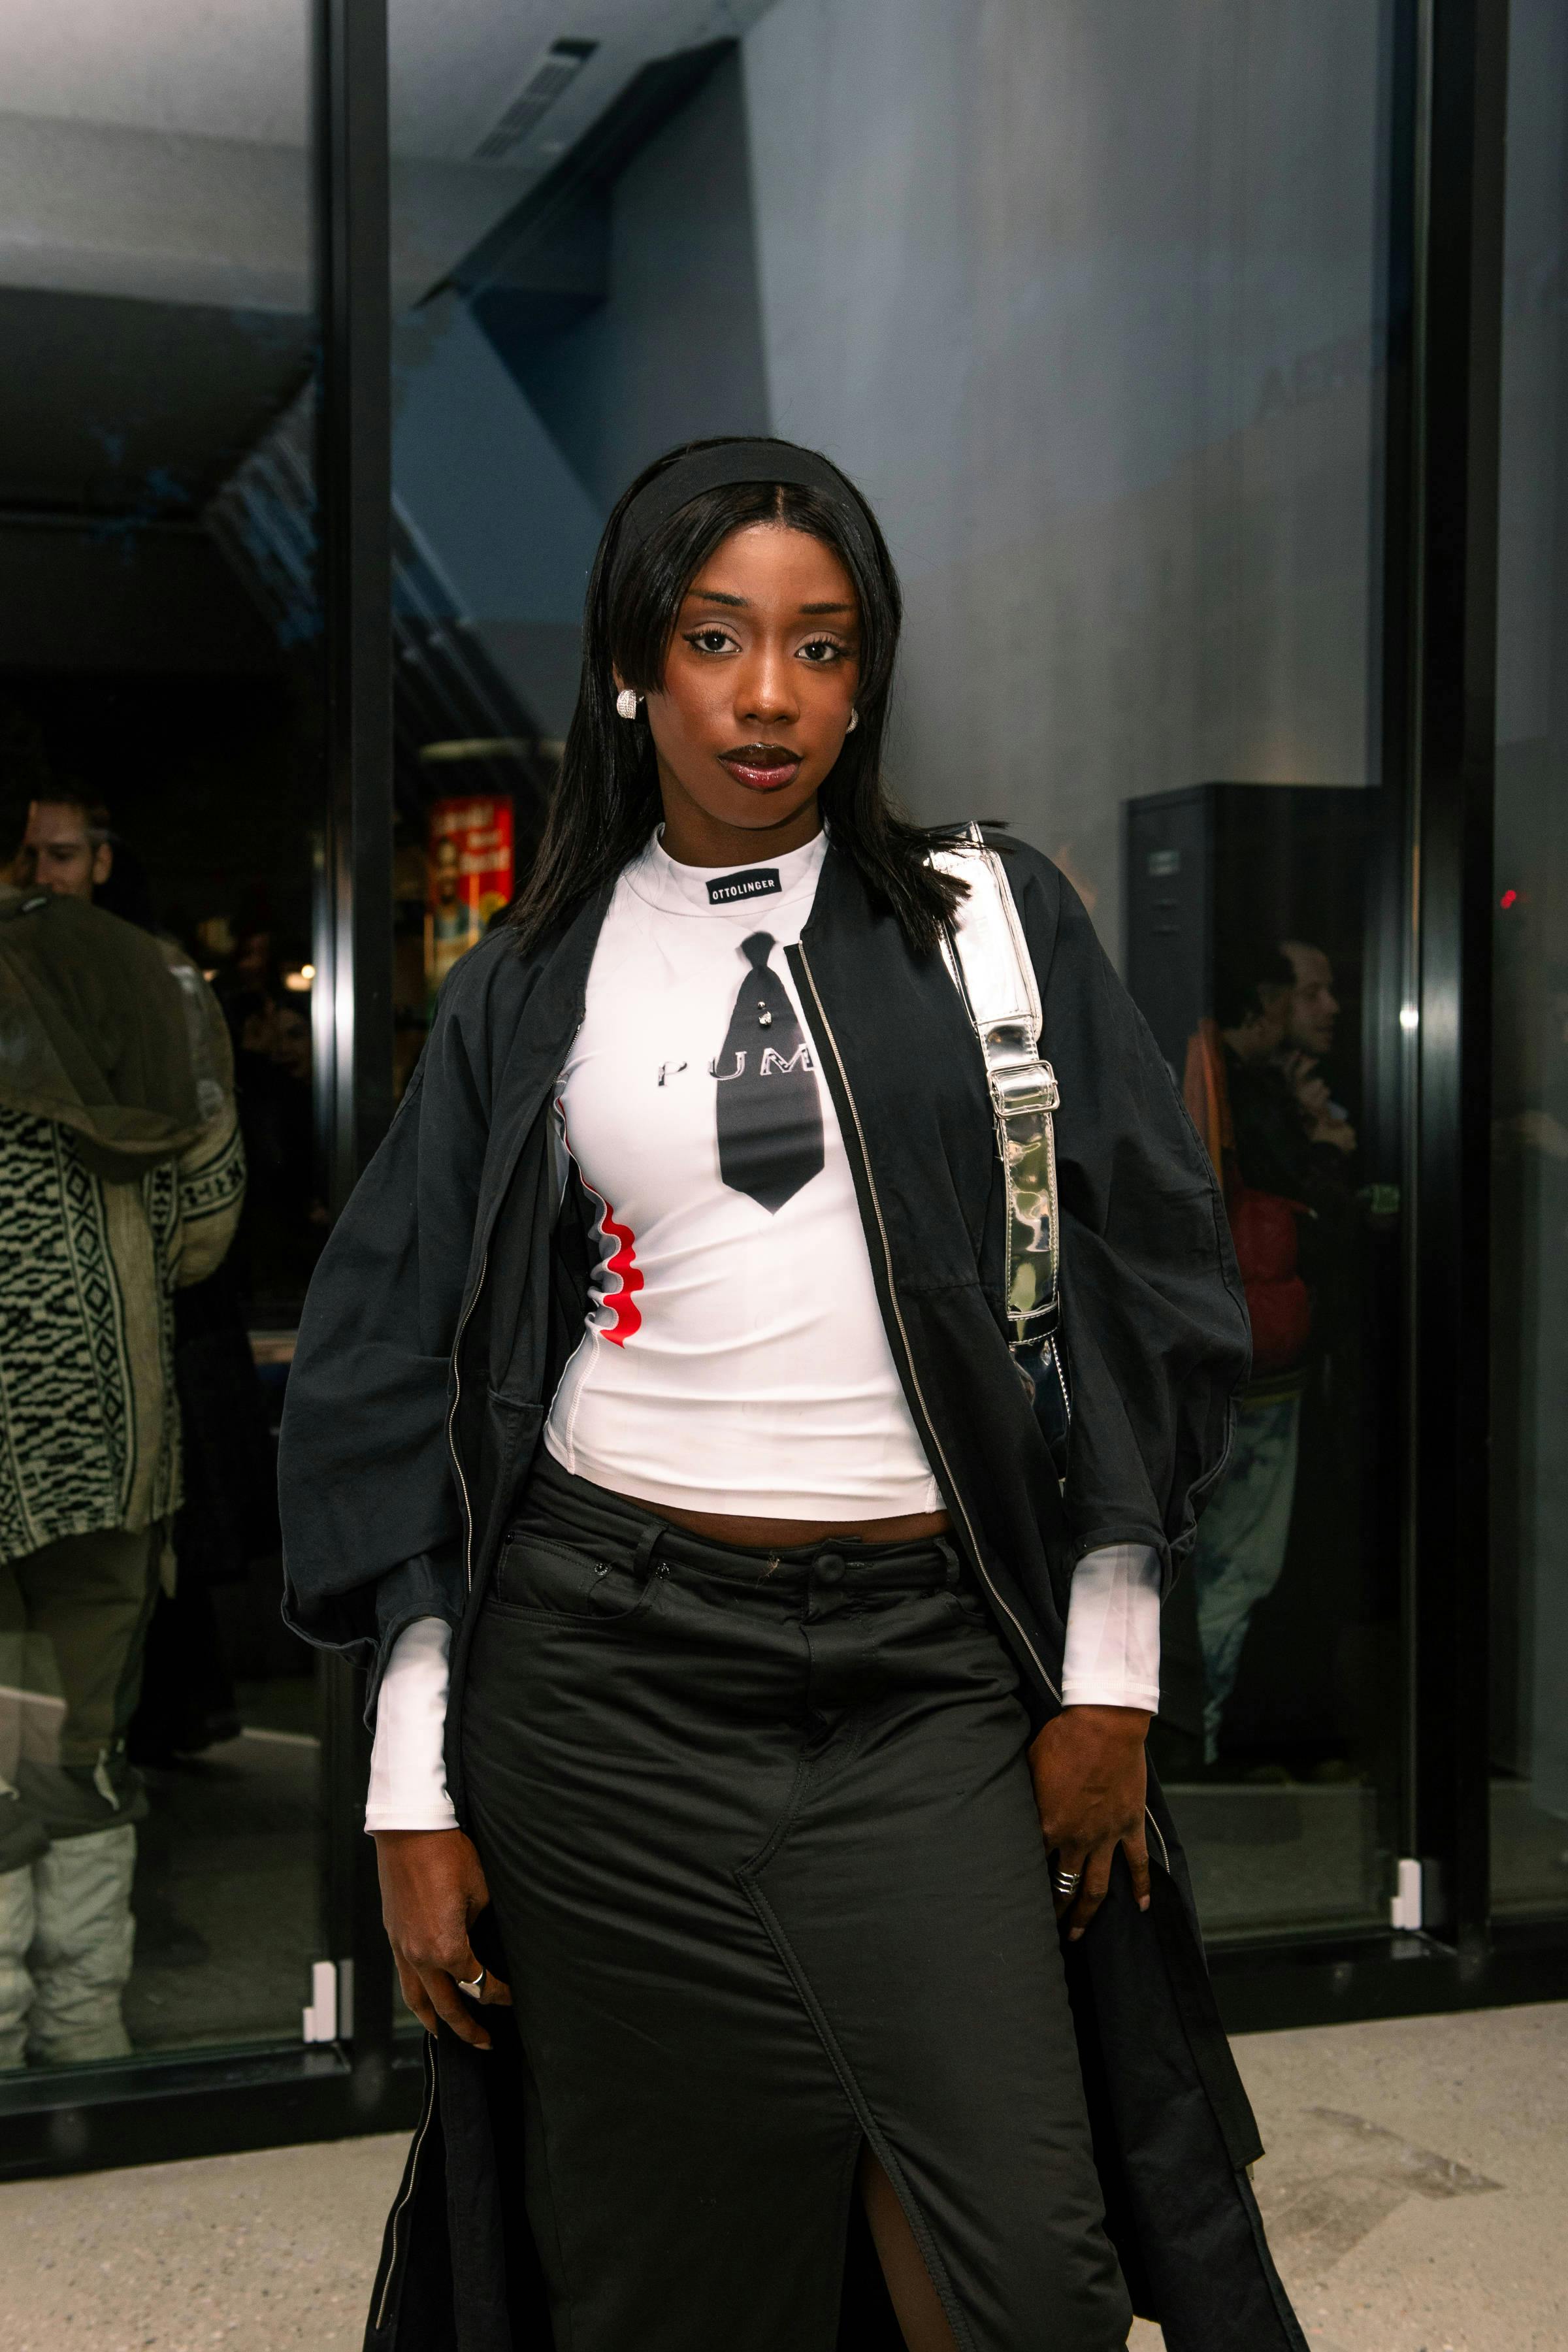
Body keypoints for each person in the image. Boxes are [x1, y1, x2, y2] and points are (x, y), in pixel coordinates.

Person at [280, 438, 1304, 2351]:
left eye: (822, 648)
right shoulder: (534, 980)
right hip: (601, 1692)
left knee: (1024, 2266)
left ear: (867, 675)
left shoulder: (984, 926)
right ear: (630, 668)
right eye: (715, 637)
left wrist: (1109, 1671)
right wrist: (407, 1791)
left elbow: (1148, 1279)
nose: (768, 695)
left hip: (919, 1680)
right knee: (678, 2280)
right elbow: (385, 1363)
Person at [0, 854, 244, 2066]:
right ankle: (83, 2037)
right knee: (81, 1749)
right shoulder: (154, 979)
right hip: (110, 1432)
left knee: (0, 1751)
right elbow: (207, 1226)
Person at [1181, 934, 1356, 1767]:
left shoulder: (1218, 1072)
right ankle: (1201, 1747)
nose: (1321, 1009)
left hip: (1225, 1356)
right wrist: (1324, 1140)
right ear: (1268, 999)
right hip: (1255, 1363)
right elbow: (1308, 1212)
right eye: (1305, 992)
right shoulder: (1242, 1091)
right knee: (1239, 1564)